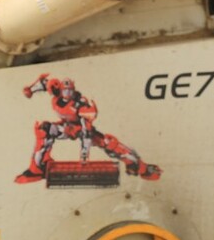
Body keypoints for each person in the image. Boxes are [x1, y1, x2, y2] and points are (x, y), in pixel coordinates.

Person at [15, 73, 161, 183]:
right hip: (66, 127)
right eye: (65, 91)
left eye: (70, 91)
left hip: (81, 129)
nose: (67, 94)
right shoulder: (55, 91)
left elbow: (86, 135)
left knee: (109, 144)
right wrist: (30, 90)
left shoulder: (80, 105)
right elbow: (43, 83)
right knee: (44, 129)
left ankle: (139, 166)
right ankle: (37, 168)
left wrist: (84, 160)